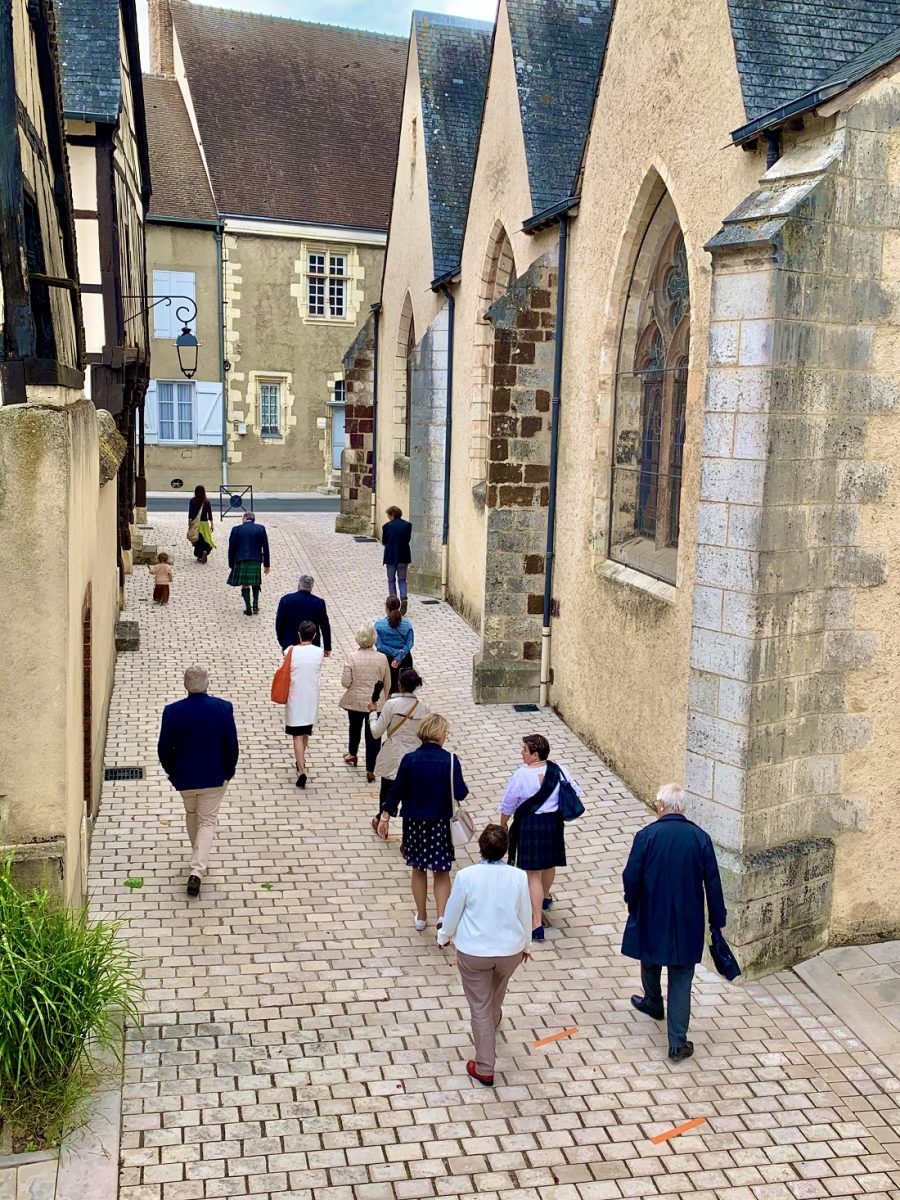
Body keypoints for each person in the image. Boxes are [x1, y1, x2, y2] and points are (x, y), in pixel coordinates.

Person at [622, 782, 727, 1062]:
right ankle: (677, 1042)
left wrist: (633, 903)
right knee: (681, 979)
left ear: (661, 805)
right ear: (682, 808)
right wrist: (718, 920)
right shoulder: (700, 838)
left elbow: (631, 876)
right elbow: (713, 884)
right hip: (687, 920)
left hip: (652, 912)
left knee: (650, 957)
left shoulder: (647, 836)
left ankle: (653, 1000)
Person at [437, 824, 531, 1087]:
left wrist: (444, 937)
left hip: (474, 952)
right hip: (510, 950)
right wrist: (527, 945)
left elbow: (453, 912)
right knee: (497, 989)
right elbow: (525, 912)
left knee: (479, 1005)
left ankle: (485, 1066)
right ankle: (494, 1018)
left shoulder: (467, 876)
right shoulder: (518, 876)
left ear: (480, 848)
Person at [378, 713, 467, 931]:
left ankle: (421, 916)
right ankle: (442, 916)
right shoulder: (451, 760)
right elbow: (462, 792)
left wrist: (385, 816)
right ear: (440, 735)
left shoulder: (410, 759)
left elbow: (396, 790)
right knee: (441, 871)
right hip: (440, 822)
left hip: (414, 822)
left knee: (418, 869)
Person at [157, 666, 239, 897]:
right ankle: (197, 869)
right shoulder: (223, 708)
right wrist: (229, 771)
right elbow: (231, 744)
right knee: (207, 821)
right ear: (207, 683)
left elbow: (164, 748)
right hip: (214, 777)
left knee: (192, 815)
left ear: (186, 685)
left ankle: (198, 856)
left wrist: (172, 772)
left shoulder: (172, 712)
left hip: (185, 779)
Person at [499, 733, 582, 942]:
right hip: (553, 823)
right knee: (549, 864)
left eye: (524, 750)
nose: (521, 753)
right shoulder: (559, 769)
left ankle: (536, 922)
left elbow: (509, 802)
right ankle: (545, 896)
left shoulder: (521, 775)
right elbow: (576, 791)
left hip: (530, 824)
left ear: (535, 754)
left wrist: (503, 823)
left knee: (532, 874)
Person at [367, 668, 430, 835]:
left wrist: (373, 713)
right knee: (410, 796)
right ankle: (408, 835)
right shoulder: (423, 708)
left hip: (393, 755)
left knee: (387, 791)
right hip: (414, 757)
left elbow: (376, 732)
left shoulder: (391, 705)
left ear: (399, 684)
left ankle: (382, 821)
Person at [339, 625, 391, 781]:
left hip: (355, 701)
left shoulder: (352, 657)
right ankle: (371, 769)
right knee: (374, 735)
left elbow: (345, 682)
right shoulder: (382, 658)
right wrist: (385, 698)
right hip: (375, 703)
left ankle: (352, 754)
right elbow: (387, 682)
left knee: (354, 728)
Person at [285, 620, 324, 789]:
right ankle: (300, 760)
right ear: (314, 636)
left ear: (299, 634)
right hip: (311, 697)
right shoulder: (319, 652)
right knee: (305, 731)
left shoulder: (290, 651)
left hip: (295, 697)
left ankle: (301, 769)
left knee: (296, 735)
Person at [275, 573, 332, 654]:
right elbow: (325, 626)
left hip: (290, 644)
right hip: (312, 646)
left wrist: (283, 642)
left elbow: (279, 624)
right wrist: (327, 647)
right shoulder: (319, 603)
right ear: (311, 587)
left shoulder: (286, 600)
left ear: (299, 584)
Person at [227, 511, 270, 616]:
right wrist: (266, 564)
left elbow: (231, 548)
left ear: (244, 518)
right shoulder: (261, 528)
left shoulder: (236, 529)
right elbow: (266, 547)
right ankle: (255, 605)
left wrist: (231, 563)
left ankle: (248, 609)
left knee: (245, 584)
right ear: (253, 519)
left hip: (241, 559)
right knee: (255, 582)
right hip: (256, 559)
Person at [374, 596, 414, 695]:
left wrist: (394, 653)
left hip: (386, 660)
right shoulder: (407, 624)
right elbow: (409, 643)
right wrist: (399, 655)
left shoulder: (379, 625)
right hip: (404, 659)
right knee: (405, 689)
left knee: (388, 690)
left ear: (386, 607)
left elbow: (379, 646)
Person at [382, 505, 412, 614]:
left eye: (389, 516)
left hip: (390, 557)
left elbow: (384, 541)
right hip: (403, 556)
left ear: (392, 515)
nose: (388, 518)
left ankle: (393, 604)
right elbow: (407, 539)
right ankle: (403, 598)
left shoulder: (386, 526)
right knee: (402, 580)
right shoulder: (407, 525)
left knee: (391, 580)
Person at [187, 485, 216, 563]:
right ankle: (205, 551)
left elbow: (190, 513)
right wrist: (212, 524)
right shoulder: (206, 502)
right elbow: (209, 514)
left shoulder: (192, 501)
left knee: (198, 539)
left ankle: (200, 555)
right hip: (204, 523)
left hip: (196, 523)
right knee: (206, 539)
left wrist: (189, 523)